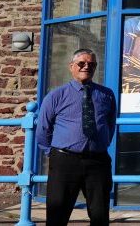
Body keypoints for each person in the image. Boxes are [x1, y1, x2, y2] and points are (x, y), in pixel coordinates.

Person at [36, 48, 117, 226]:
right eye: (81, 63)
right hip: (65, 161)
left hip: (98, 162)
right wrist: (53, 153)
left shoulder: (106, 94)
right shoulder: (56, 95)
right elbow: (43, 129)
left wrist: (100, 145)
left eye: (91, 64)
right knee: (57, 215)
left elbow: (110, 124)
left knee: (100, 215)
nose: (86, 66)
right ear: (71, 66)